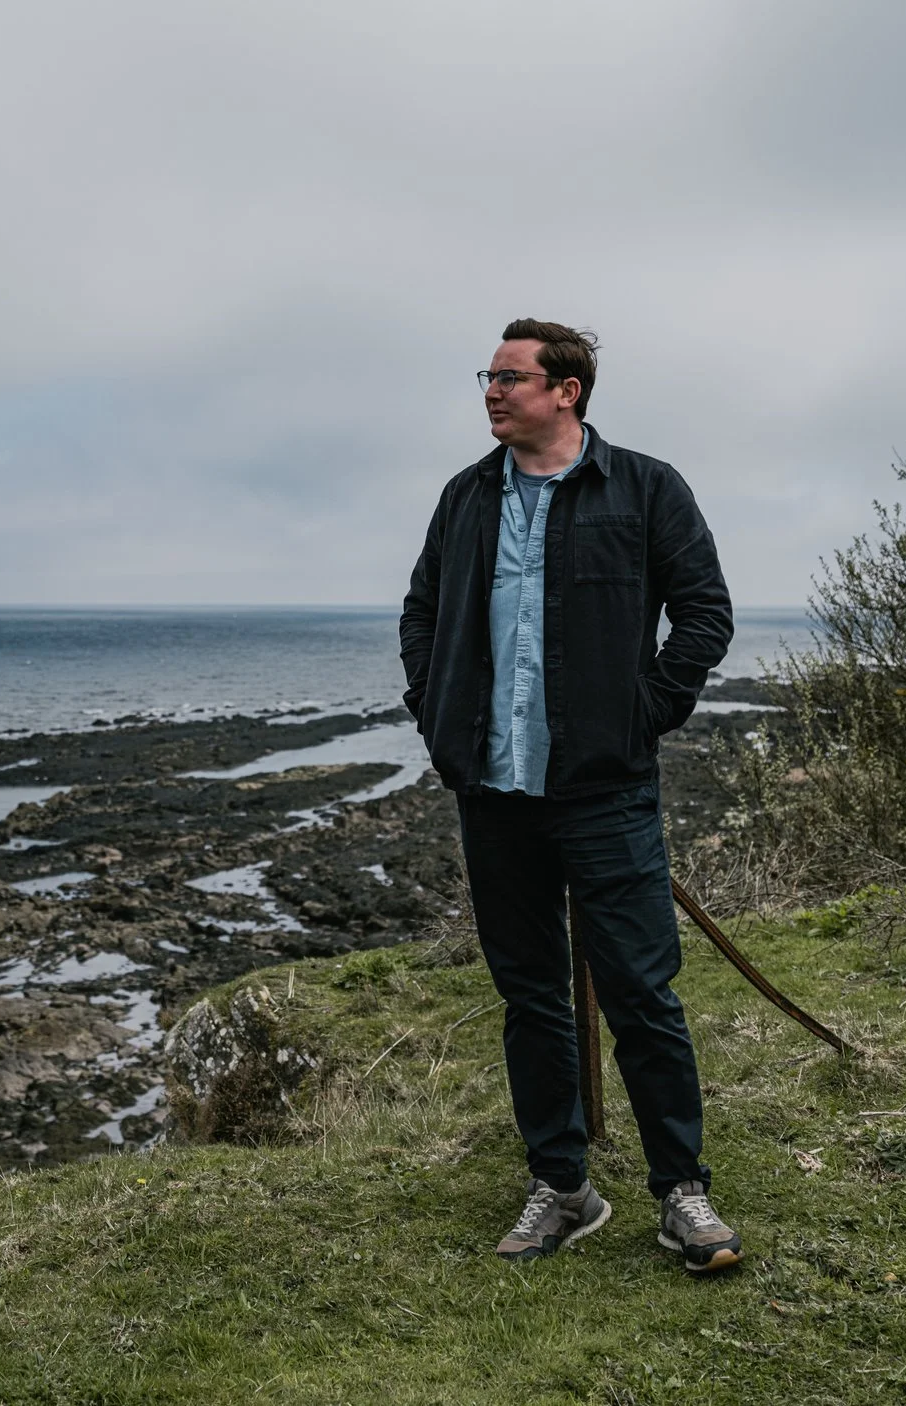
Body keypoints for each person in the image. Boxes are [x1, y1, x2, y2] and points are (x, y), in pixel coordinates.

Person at [398, 319, 741, 1273]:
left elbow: (703, 612)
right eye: (488, 376)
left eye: (509, 377)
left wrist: (644, 713)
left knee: (642, 992)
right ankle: (562, 1186)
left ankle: (682, 1193)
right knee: (531, 997)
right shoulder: (465, 497)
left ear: (567, 390)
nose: (491, 391)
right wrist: (435, 711)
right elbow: (423, 611)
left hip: (604, 791)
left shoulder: (645, 488)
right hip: (493, 790)